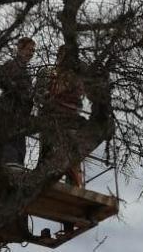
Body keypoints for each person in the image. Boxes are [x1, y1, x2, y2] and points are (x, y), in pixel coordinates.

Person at [40, 45, 84, 187]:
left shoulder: (76, 76)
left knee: (72, 156)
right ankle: (41, 180)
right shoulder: (49, 73)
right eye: (63, 55)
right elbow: (39, 95)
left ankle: (75, 184)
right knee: (48, 153)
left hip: (70, 119)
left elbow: (78, 97)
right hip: (51, 118)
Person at [0, 37, 36, 169]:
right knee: (10, 145)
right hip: (10, 112)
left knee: (19, 149)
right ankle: (10, 167)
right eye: (29, 49)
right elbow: (0, 78)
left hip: (21, 117)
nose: (31, 53)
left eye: (33, 51)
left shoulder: (25, 71)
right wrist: (14, 87)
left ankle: (17, 168)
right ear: (20, 49)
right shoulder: (11, 65)